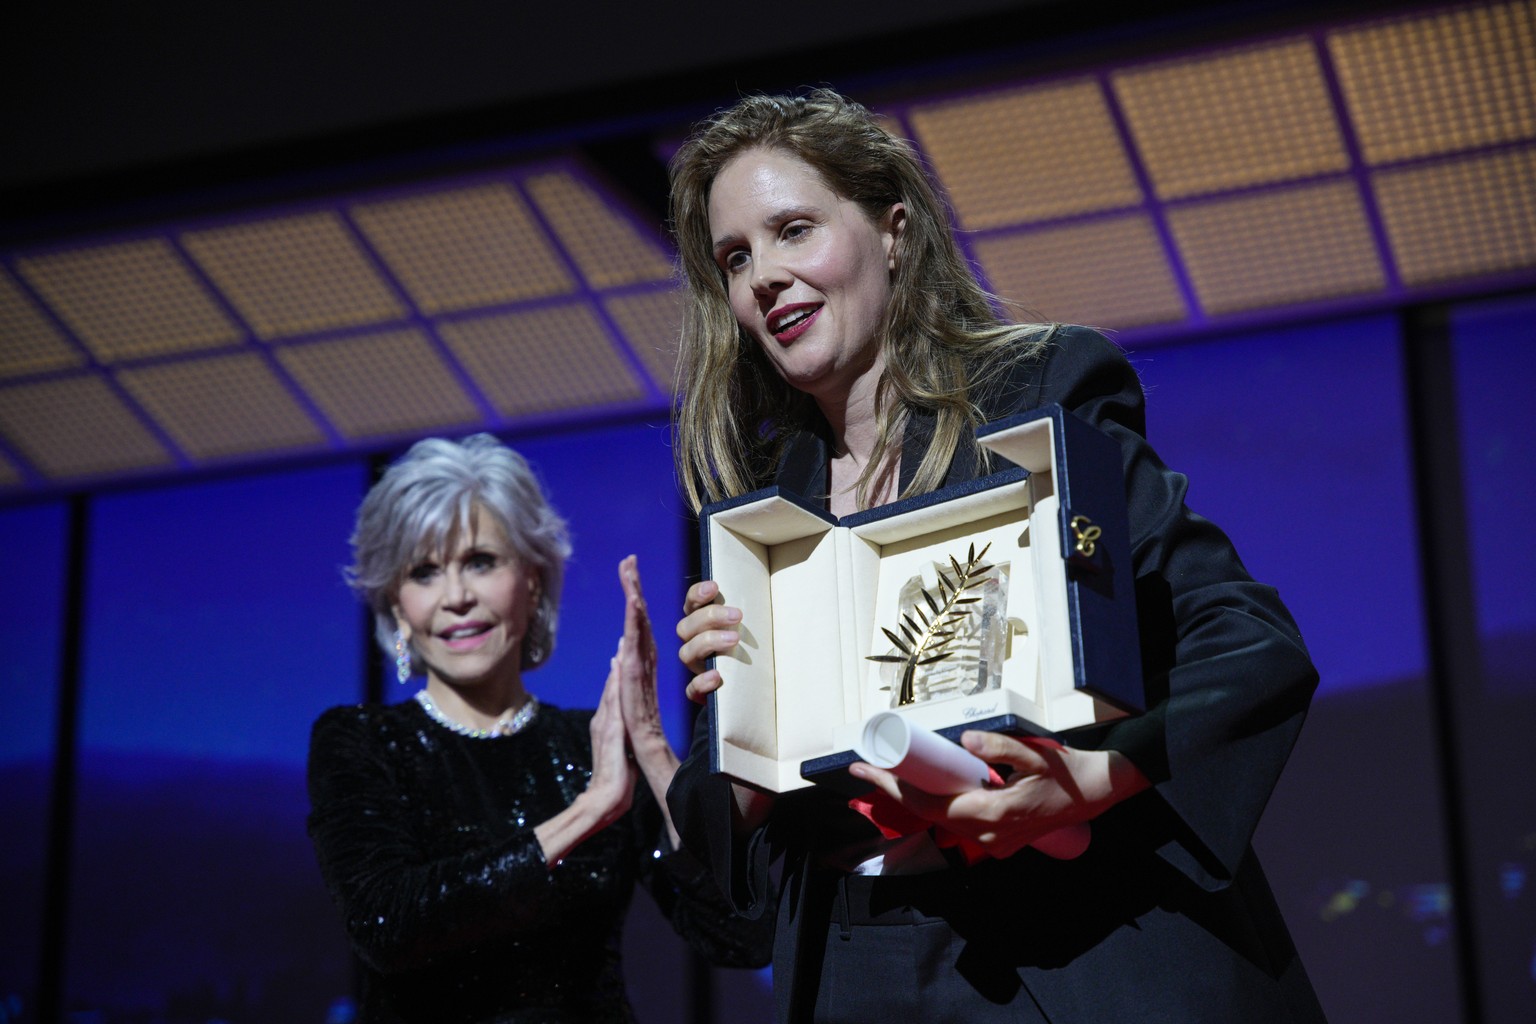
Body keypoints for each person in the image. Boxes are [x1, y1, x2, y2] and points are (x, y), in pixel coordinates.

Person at [666, 89, 1328, 1023]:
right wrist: (740, 730)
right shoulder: (762, 524)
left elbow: (1249, 644)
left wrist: (1087, 785)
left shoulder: (1038, 396)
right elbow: (721, 872)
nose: (764, 276)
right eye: (737, 258)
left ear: (893, 231)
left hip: (1076, 948)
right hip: (861, 967)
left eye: (794, 230)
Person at [306, 434, 770, 1024]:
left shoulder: (596, 745)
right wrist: (590, 811)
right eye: (424, 572)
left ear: (531, 580)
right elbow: (389, 927)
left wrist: (650, 746)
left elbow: (741, 935)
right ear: (396, 607)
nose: (456, 596)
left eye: (480, 562)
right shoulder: (361, 741)